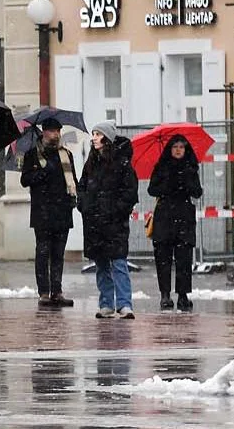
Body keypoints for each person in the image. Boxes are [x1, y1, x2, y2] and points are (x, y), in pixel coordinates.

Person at [80, 122, 138, 319]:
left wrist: (116, 210)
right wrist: (85, 206)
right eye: (93, 134)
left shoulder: (122, 164)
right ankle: (106, 303)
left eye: (98, 134)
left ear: (107, 137)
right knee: (102, 263)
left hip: (115, 223)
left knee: (119, 262)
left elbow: (130, 192)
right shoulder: (91, 163)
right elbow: (83, 187)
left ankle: (124, 304)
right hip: (94, 222)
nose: (94, 138)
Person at [20, 119, 77, 309]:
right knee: (43, 253)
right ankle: (44, 292)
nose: (56, 135)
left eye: (58, 131)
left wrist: (73, 199)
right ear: (44, 132)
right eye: (52, 131)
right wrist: (43, 173)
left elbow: (73, 180)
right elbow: (25, 180)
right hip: (42, 212)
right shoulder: (32, 155)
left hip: (62, 211)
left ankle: (57, 292)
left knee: (58, 254)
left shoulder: (66, 155)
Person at [149, 131, 202, 312]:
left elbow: (197, 191)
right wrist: (168, 184)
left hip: (184, 217)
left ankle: (183, 295)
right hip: (164, 216)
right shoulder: (162, 166)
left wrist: (186, 181)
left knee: (184, 258)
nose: (179, 150)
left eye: (181, 147)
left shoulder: (191, 167)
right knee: (163, 258)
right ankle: (165, 294)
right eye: (175, 147)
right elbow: (152, 189)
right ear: (169, 149)